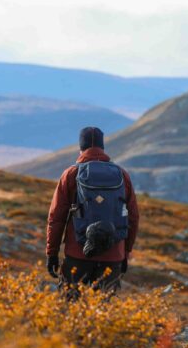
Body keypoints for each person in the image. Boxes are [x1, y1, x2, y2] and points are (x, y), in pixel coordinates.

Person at [45, 126, 139, 295]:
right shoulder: (121, 175)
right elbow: (133, 217)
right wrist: (125, 252)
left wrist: (52, 253)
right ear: (102, 147)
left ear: (81, 147)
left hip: (77, 255)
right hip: (113, 256)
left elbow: (56, 218)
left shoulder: (71, 174)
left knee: (70, 309)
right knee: (104, 312)